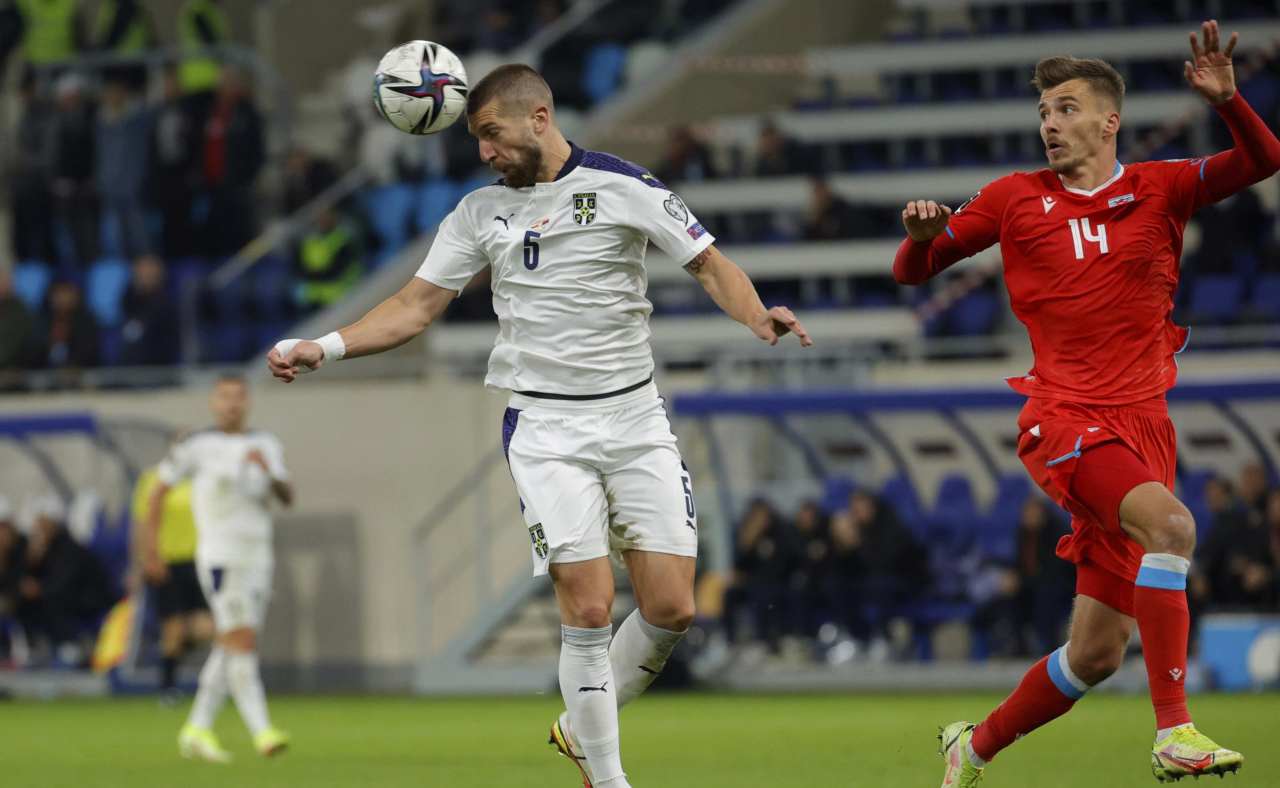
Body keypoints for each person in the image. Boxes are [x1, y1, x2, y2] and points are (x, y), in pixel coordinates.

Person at [267, 64, 812, 788]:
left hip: (635, 417)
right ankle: (608, 778)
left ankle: (580, 724)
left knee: (674, 607)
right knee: (587, 605)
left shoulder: (625, 186)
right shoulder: (476, 214)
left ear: (540, 118)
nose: (485, 153)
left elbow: (709, 264)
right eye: (477, 141)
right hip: (547, 428)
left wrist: (758, 316)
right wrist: (325, 347)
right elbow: (414, 306)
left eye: (492, 135)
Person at [893, 21, 1279, 784]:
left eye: (1066, 109)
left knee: (1097, 654)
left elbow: (1265, 159)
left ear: (1110, 121)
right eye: (1043, 112)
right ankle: (1176, 732)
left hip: (1144, 427)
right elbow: (916, 271)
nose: (1049, 125)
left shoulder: (1162, 187)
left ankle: (971, 749)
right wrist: (921, 237)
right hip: (1063, 419)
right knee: (1173, 524)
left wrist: (1231, 103)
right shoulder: (1012, 200)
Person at [143, 375, 293, 762]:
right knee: (241, 641)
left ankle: (196, 727)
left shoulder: (266, 444)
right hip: (221, 557)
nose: (231, 404)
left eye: (238, 397)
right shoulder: (197, 446)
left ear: (248, 402)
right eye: (224, 397)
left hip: (259, 556)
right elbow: (156, 493)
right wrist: (151, 551)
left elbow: (287, 496)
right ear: (213, 403)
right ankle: (262, 732)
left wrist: (271, 473)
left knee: (231, 643)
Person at [131, 455, 213, 701]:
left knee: (207, 627)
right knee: (172, 626)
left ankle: (173, 650)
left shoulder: (203, 479)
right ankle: (168, 686)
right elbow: (141, 523)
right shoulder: (153, 479)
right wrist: (144, 560)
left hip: (199, 560)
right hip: (167, 561)